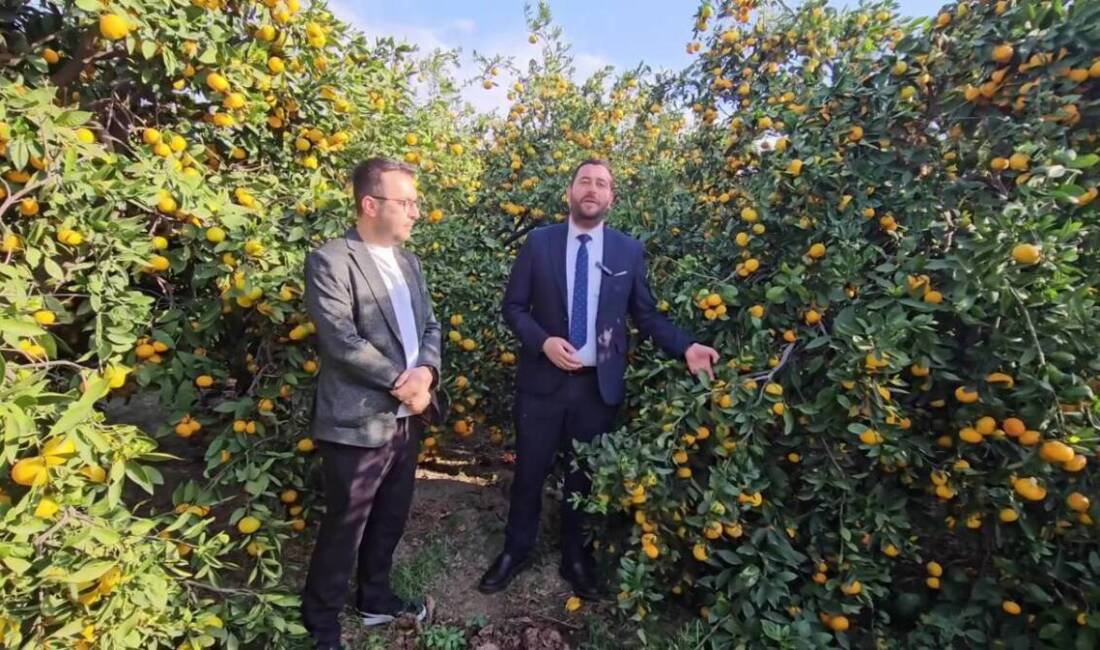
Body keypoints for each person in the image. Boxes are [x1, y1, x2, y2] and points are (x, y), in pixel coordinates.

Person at [478, 159, 719, 600]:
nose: (592, 189)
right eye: (584, 181)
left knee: (582, 477)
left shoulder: (628, 251)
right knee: (529, 472)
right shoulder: (539, 243)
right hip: (542, 382)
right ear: (570, 192)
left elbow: (644, 315)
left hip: (596, 388)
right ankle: (515, 551)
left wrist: (686, 347)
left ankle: (576, 557)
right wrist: (543, 342)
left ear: (612, 198)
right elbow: (513, 307)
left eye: (602, 183)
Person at [300, 157, 443, 650]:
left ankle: (374, 598)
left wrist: (426, 372)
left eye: (415, 203)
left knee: (391, 515)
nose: (415, 212)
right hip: (357, 421)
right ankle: (320, 623)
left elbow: (430, 326)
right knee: (346, 524)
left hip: (407, 418)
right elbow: (340, 339)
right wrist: (400, 380)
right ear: (369, 203)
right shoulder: (331, 260)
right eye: (406, 202)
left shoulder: (411, 264)